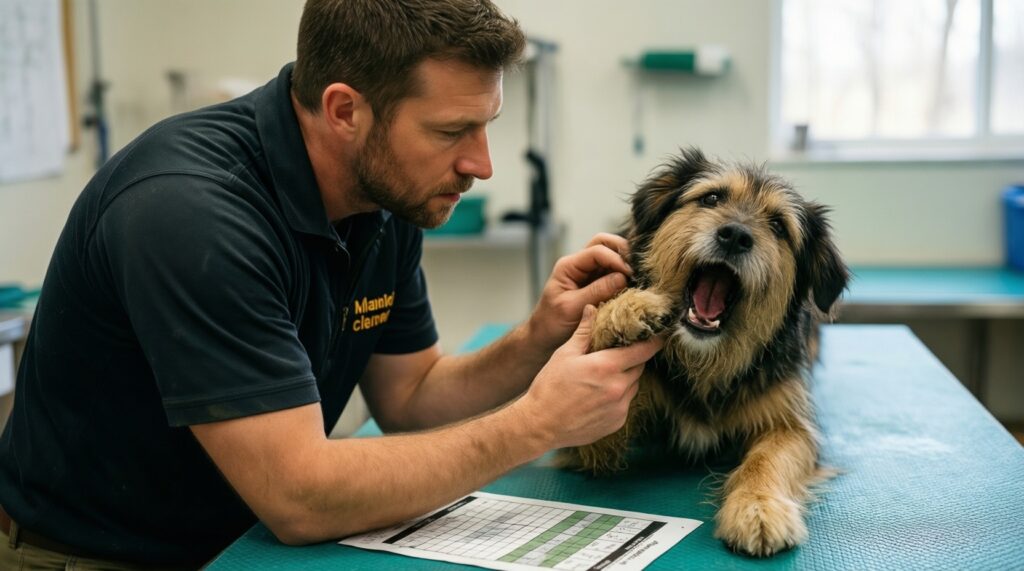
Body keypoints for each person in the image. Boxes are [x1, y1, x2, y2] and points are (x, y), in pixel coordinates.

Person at [0, 0, 662, 568]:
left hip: (244, 537)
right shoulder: (191, 213)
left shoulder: (386, 195)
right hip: (96, 554)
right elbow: (300, 496)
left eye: (486, 124)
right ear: (345, 110)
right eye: (451, 131)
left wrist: (537, 337)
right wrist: (535, 424)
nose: (480, 164)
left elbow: (410, 396)